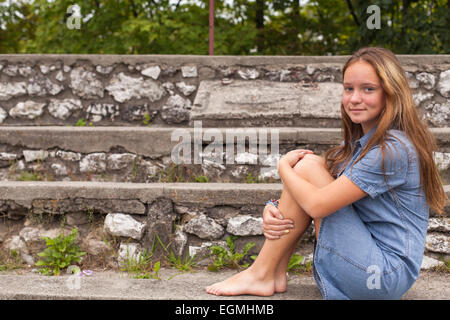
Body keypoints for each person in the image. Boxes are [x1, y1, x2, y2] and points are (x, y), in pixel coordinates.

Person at [205, 47, 447, 299]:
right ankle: (273, 272)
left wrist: (282, 168)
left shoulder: (392, 149)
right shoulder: (361, 146)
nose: (354, 98)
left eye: (368, 89)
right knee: (309, 166)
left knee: (307, 166)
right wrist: (273, 206)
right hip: (370, 263)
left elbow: (319, 205)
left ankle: (260, 273)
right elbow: (312, 192)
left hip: (382, 274)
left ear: (390, 93)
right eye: (348, 88)